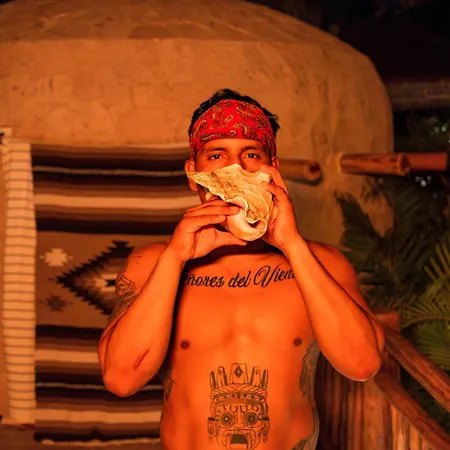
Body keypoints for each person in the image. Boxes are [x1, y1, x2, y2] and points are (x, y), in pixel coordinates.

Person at [98, 89, 385, 450]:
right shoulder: (152, 263)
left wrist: (291, 244)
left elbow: (362, 364)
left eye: (251, 155)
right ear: (193, 174)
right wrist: (175, 258)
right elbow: (121, 379)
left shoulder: (320, 262)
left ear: (272, 170)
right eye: (216, 156)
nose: (235, 170)